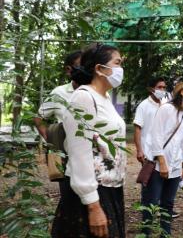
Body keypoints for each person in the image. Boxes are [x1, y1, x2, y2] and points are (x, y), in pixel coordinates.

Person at [51, 43, 127, 238]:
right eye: (117, 63)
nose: (121, 69)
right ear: (100, 69)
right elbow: (80, 155)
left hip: (111, 189)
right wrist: (93, 205)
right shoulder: (83, 98)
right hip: (92, 193)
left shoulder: (104, 97)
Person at [145, 81, 183, 236]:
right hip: (159, 165)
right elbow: (156, 136)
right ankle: (145, 233)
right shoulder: (166, 109)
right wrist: (162, 162)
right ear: (182, 92)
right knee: (151, 203)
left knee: (168, 203)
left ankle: (165, 233)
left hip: (176, 165)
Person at [34, 50, 82, 140]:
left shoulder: (98, 92)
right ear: (69, 70)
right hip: (68, 150)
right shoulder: (59, 93)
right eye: (81, 65)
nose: (85, 69)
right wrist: (52, 139)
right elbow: (38, 118)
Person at [134, 76, 171, 165]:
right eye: (159, 87)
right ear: (151, 89)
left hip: (164, 149)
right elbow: (137, 129)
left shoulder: (166, 105)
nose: (162, 90)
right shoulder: (143, 106)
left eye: (164, 87)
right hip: (148, 152)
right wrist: (139, 150)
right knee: (149, 177)